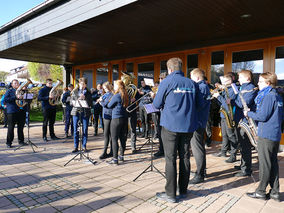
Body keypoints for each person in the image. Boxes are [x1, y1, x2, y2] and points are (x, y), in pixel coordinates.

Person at [153, 57, 203, 203]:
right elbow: (199, 104)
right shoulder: (192, 83)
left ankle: (170, 194)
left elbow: (156, 104)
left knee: (170, 158)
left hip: (170, 125)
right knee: (185, 157)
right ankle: (183, 190)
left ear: (169, 69)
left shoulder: (167, 81)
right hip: (188, 126)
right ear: (181, 68)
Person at [245, 73, 283, 202]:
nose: (257, 84)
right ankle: (275, 192)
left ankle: (261, 191)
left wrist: (248, 113)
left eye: (260, 81)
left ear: (268, 83)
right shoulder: (277, 96)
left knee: (265, 165)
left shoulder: (268, 96)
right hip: (274, 134)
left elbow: (262, 116)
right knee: (273, 164)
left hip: (266, 134)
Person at [232, 70, 258, 177]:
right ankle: (243, 164)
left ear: (247, 78)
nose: (238, 80)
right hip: (240, 120)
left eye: (240, 78)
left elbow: (244, 103)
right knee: (242, 145)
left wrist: (232, 100)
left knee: (245, 145)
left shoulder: (250, 88)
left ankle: (246, 169)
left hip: (246, 121)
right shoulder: (244, 87)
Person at [189, 68, 211, 184]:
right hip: (200, 121)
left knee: (197, 148)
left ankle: (200, 174)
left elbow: (198, 105)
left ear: (197, 78)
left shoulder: (200, 87)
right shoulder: (204, 86)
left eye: (191, 78)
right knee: (199, 147)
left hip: (197, 121)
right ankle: (202, 170)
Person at [212, 74, 238, 163]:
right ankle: (223, 151)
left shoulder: (232, 90)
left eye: (224, 82)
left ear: (229, 81)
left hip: (229, 115)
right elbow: (221, 102)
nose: (222, 84)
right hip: (223, 115)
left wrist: (218, 96)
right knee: (224, 134)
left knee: (231, 135)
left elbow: (227, 104)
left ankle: (233, 154)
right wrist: (217, 95)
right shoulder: (225, 89)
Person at [106, 80, 129, 165]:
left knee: (114, 139)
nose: (113, 86)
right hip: (125, 118)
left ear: (118, 86)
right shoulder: (126, 95)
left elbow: (109, 106)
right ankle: (121, 156)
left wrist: (103, 102)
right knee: (123, 138)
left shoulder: (116, 96)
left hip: (116, 118)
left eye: (115, 85)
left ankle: (115, 159)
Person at [70, 77, 92, 153]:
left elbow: (91, 103)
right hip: (76, 112)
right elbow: (70, 102)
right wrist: (78, 99)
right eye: (81, 84)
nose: (82, 85)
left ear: (86, 85)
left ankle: (84, 146)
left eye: (84, 84)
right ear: (79, 84)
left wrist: (85, 98)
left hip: (85, 112)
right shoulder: (74, 91)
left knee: (85, 129)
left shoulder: (88, 92)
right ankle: (76, 146)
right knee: (76, 129)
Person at [4, 79, 28, 148]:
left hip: (21, 111)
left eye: (17, 83)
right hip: (12, 111)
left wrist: (25, 93)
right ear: (12, 84)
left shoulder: (22, 91)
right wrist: (15, 97)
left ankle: (21, 141)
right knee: (11, 128)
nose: (17, 84)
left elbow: (27, 100)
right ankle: (9, 142)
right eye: (15, 83)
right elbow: (6, 100)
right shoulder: (9, 91)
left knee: (21, 127)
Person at [153, 72, 167, 158]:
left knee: (164, 133)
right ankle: (161, 149)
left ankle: (163, 150)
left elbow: (159, 102)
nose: (160, 80)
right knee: (160, 132)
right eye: (160, 79)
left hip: (164, 113)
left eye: (161, 79)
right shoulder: (159, 88)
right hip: (159, 112)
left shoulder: (164, 87)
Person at [98, 81, 114, 159]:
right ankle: (111, 151)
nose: (104, 89)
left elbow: (106, 105)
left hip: (109, 115)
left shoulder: (111, 94)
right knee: (108, 134)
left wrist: (101, 101)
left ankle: (106, 152)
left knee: (107, 134)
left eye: (105, 87)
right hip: (105, 115)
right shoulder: (106, 95)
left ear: (108, 87)